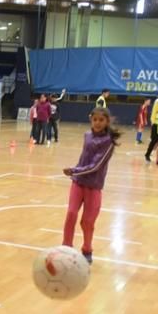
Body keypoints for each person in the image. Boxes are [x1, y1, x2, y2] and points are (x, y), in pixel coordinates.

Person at [62, 107, 120, 264]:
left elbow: (96, 166)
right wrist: (75, 173)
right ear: (91, 120)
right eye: (95, 120)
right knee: (71, 214)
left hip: (93, 187)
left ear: (107, 121)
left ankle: (87, 249)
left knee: (87, 222)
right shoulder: (87, 135)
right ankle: (66, 247)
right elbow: (84, 158)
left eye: (101, 120)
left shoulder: (109, 141)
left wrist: (74, 170)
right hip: (78, 182)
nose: (98, 123)